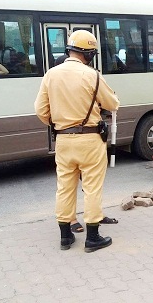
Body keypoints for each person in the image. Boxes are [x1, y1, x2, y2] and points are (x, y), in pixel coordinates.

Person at [34, 30, 120, 252]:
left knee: (64, 187)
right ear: (89, 54)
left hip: (63, 139)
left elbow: (41, 111)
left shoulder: (51, 74)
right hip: (90, 139)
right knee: (91, 188)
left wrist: (59, 123)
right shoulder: (92, 75)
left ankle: (65, 236)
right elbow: (112, 104)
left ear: (69, 50)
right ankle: (92, 238)